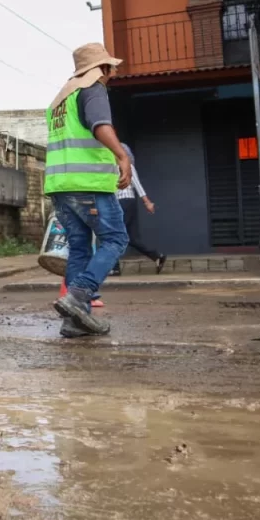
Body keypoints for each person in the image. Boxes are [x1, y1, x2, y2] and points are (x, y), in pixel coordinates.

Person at [45, 42, 131, 339]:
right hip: (89, 184)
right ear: (101, 68)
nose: (113, 73)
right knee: (116, 239)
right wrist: (122, 156)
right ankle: (79, 294)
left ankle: (74, 321)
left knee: (79, 248)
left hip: (61, 186)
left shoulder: (60, 100)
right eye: (111, 68)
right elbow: (100, 126)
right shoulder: (93, 89)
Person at [111, 143, 167, 276]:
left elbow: (137, 184)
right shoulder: (112, 168)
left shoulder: (128, 166)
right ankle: (157, 256)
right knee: (132, 238)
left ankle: (115, 267)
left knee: (114, 234)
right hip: (121, 203)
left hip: (125, 202)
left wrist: (147, 202)